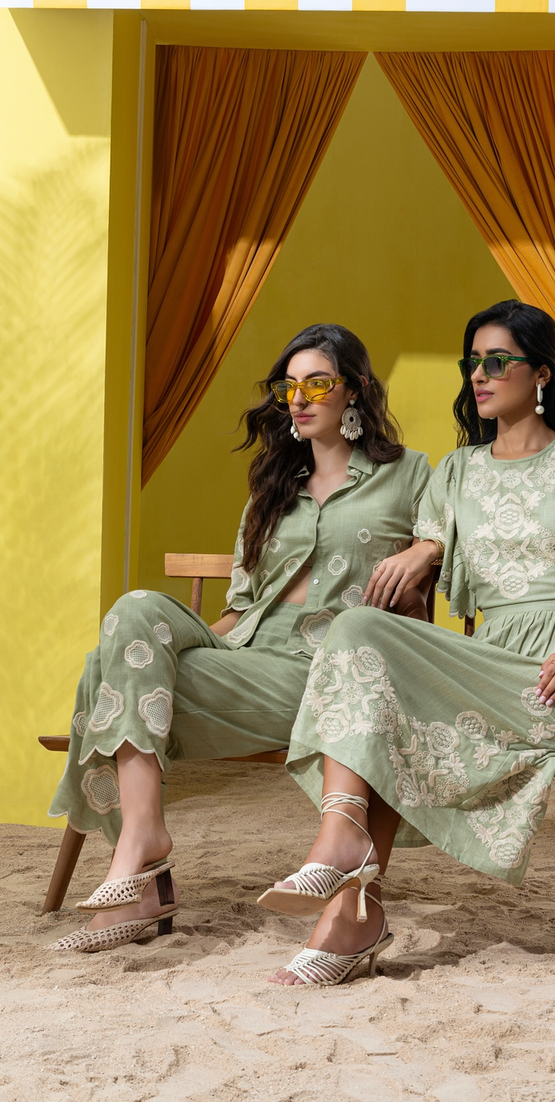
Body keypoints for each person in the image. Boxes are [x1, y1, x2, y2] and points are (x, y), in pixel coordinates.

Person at [260, 300, 555, 986]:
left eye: (497, 361)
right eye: (473, 362)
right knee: (358, 629)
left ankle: (348, 904)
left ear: (541, 374)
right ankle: (345, 862)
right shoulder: (457, 472)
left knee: (380, 681)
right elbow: (423, 565)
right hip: (487, 656)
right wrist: (421, 555)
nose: (480, 375)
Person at [49, 324, 432, 952]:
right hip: (245, 654)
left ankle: (144, 881)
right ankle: (142, 839)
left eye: (317, 384)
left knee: (103, 674)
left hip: (326, 675)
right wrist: (170, 656)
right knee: (133, 614)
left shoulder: (410, 474)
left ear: (355, 390)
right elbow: (241, 607)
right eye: (289, 387)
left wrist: (424, 552)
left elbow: (444, 551)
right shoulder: (272, 487)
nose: (299, 399)